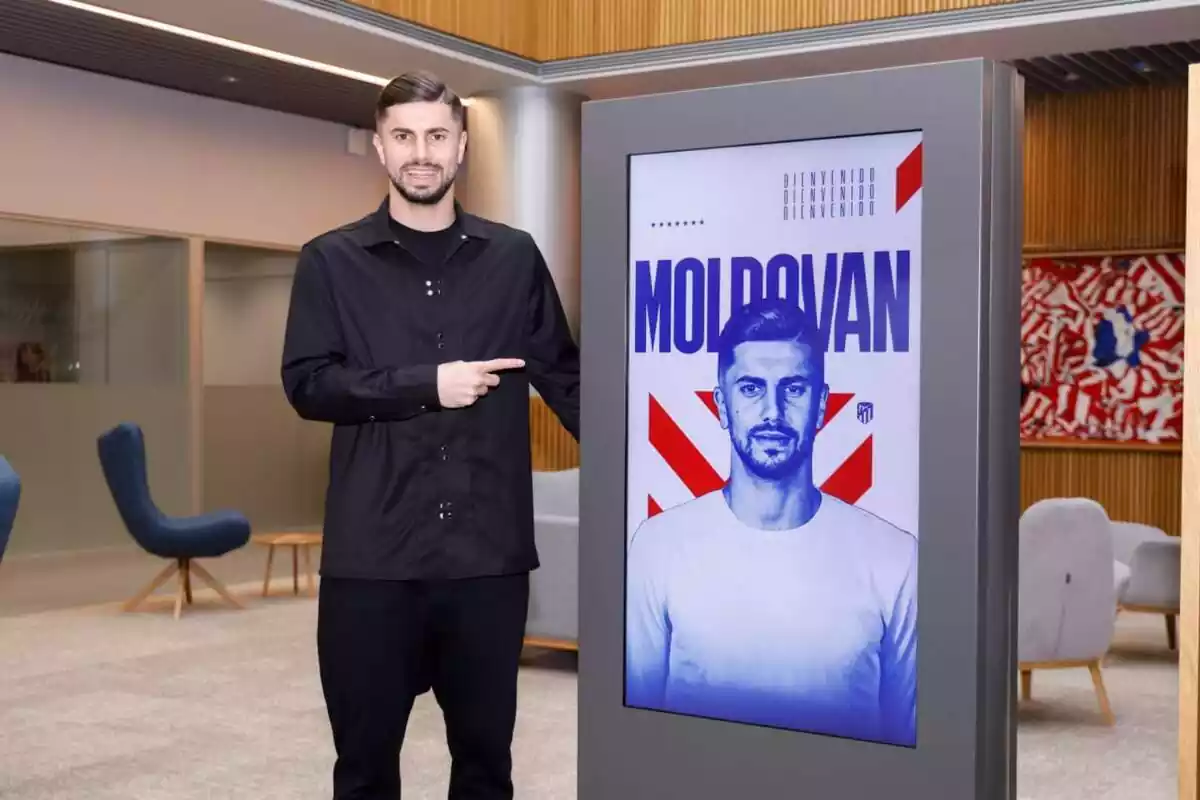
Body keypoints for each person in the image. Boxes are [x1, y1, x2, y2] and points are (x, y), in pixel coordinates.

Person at [280, 70, 580, 799]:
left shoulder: (514, 258)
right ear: (381, 149)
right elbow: (308, 384)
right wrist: (425, 384)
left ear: (463, 147)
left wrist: (669, 460)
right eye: (405, 136)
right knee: (363, 771)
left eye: (437, 136)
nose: (422, 153)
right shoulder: (330, 261)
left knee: (484, 767)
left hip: (487, 562)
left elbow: (567, 380)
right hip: (372, 561)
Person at [624, 297, 917, 747]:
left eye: (794, 388)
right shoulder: (657, 545)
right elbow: (639, 733)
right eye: (751, 388)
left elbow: (909, 741)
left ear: (822, 405)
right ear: (721, 405)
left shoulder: (895, 557)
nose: (773, 413)